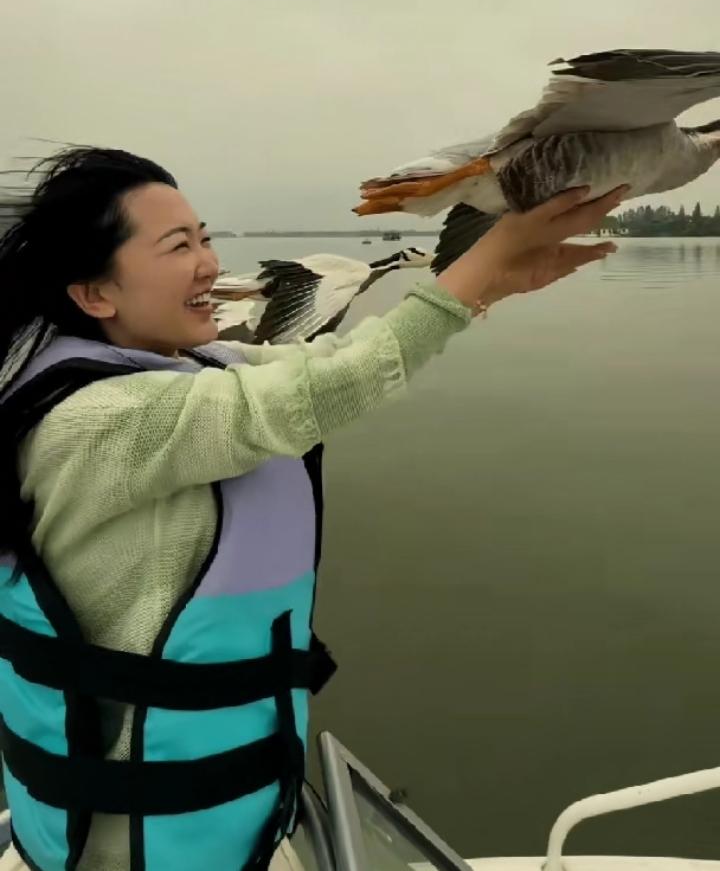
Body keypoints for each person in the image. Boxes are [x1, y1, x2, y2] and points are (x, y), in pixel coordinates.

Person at [0, 147, 625, 871]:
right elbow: (305, 399)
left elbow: (328, 367)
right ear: (95, 293)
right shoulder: (102, 418)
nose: (209, 263)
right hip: (135, 847)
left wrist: (486, 287)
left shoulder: (186, 369)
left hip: (216, 821)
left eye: (204, 236)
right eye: (178, 246)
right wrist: (475, 273)